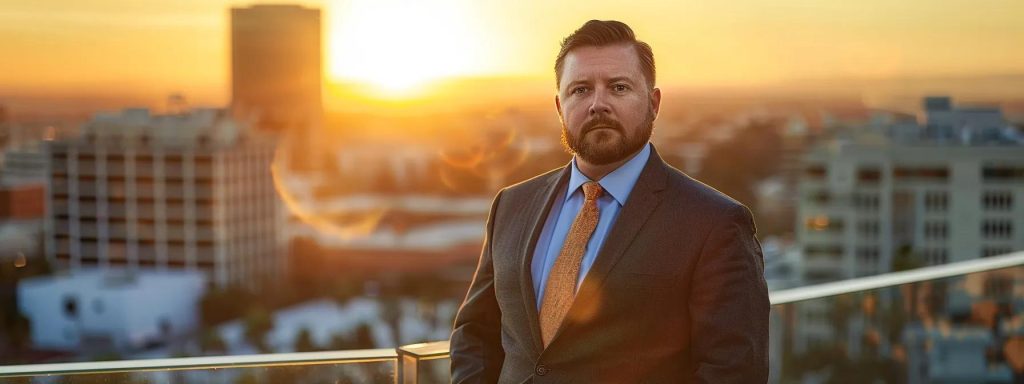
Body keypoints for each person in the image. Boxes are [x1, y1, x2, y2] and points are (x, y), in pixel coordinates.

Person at [450, 19, 769, 383]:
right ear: (559, 106)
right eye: (580, 90)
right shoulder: (511, 205)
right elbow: (475, 334)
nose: (598, 104)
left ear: (653, 103)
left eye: (618, 87)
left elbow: (733, 371)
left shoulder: (715, 223)